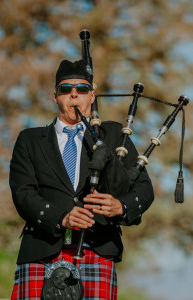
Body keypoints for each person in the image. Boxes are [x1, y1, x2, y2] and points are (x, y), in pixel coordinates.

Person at [9, 59, 154, 300]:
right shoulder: (30, 140)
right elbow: (23, 192)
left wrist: (122, 206)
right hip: (42, 248)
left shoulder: (113, 136)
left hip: (97, 248)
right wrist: (61, 217)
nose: (74, 95)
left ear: (92, 96)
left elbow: (144, 188)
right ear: (55, 96)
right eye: (66, 89)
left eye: (82, 89)